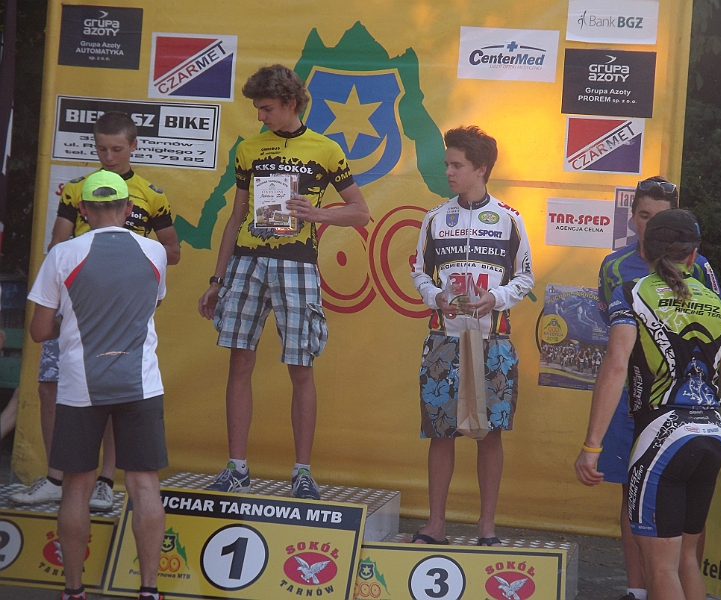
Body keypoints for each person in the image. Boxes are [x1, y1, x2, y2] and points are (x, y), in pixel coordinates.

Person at [575, 209, 721, 600]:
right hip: (710, 436)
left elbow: (615, 366)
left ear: (645, 251)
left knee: (660, 567)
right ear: (693, 255)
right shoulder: (711, 299)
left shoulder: (632, 293)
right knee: (687, 559)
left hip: (661, 439)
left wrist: (592, 446)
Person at [198, 64, 369, 499]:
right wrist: (218, 278)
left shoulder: (326, 149)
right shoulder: (248, 149)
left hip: (296, 265)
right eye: (258, 109)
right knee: (239, 363)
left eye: (267, 108)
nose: (260, 116)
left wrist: (317, 214)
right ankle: (237, 467)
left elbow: (360, 212)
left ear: (291, 104)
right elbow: (236, 215)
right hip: (246, 263)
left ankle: (303, 472)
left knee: (301, 368)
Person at [12, 112, 179, 510]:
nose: (108, 156)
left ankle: (104, 480)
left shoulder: (150, 194)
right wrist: (78, 255)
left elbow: (171, 250)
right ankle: (56, 476)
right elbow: (57, 242)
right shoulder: (76, 189)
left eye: (116, 149)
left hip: (120, 299)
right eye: (101, 149)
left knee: (114, 390)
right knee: (52, 384)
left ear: (133, 146)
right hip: (75, 293)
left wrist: (127, 249)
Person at [28, 170, 169, 600]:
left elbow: (38, 331)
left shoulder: (62, 254)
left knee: (76, 487)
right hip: (141, 384)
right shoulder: (155, 251)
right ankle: (149, 591)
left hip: (80, 386)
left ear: (84, 211)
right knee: (144, 485)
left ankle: (73, 591)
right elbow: (150, 303)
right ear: (129, 209)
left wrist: (72, 325)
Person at [595, 177, 721, 600]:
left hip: (676, 406)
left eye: (661, 219)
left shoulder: (700, 267)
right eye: (644, 216)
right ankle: (637, 589)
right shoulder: (614, 266)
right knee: (633, 493)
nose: (651, 227)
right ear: (632, 218)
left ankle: (668, 587)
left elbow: (717, 342)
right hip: (632, 399)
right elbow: (614, 341)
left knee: (682, 522)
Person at [410, 126, 533, 546]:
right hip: (444, 340)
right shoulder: (434, 218)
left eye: (456, 165)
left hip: (493, 341)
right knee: (440, 431)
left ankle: (486, 527)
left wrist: (495, 298)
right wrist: (436, 296)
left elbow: (525, 277)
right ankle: (436, 525)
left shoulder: (510, 218)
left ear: (481, 169)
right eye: (447, 164)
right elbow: (419, 273)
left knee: (490, 432)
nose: (448, 171)